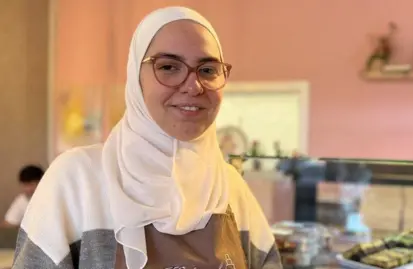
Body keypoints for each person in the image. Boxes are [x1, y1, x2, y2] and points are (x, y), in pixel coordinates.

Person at [13, 6, 282, 269]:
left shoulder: (230, 188)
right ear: (136, 78)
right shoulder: (77, 180)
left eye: (208, 70)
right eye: (168, 67)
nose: (193, 85)